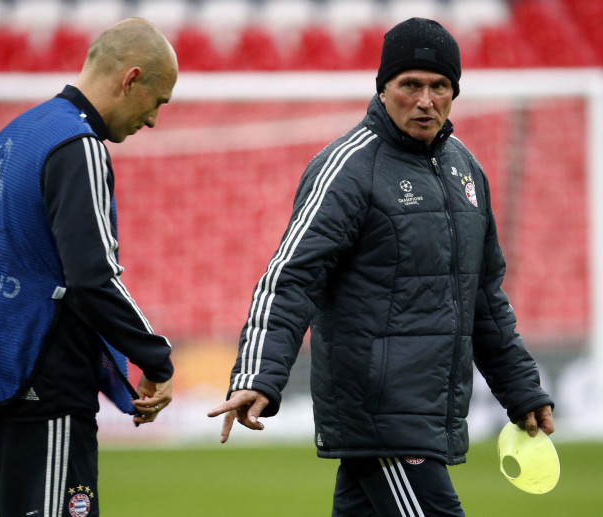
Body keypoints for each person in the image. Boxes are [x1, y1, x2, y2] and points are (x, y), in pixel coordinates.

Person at [208, 17, 554, 516]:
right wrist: (258, 373)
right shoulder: (348, 168)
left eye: (440, 87)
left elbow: (482, 295)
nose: (426, 99)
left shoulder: (465, 169)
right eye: (410, 85)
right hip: (381, 414)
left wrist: (520, 387)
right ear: (383, 88)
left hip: (427, 412)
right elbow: (291, 278)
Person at [0, 18, 177, 517]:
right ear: (131, 79)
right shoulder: (78, 145)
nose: (152, 120)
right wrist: (156, 357)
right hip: (49, 386)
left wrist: (0, 328)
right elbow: (91, 276)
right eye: (158, 101)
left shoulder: (13, 135)